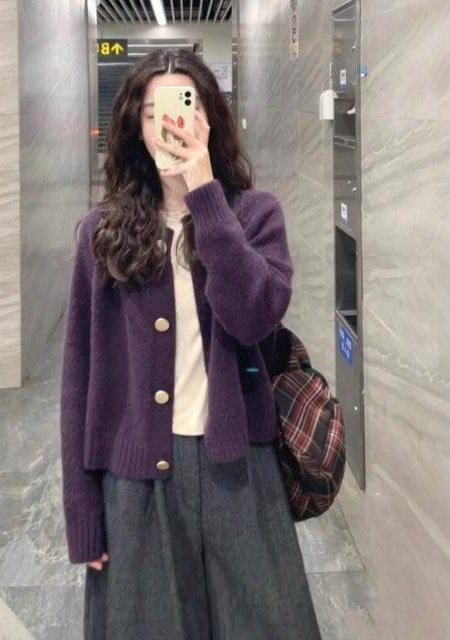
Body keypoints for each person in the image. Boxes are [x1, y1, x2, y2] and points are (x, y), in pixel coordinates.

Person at [60, 48, 322, 640]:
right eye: (154, 113)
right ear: (137, 126)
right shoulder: (102, 232)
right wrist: (83, 511)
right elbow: (78, 376)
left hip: (239, 468)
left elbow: (254, 316)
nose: (170, 125)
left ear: (209, 120)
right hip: (136, 482)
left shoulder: (253, 215)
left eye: (184, 108)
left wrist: (204, 195)